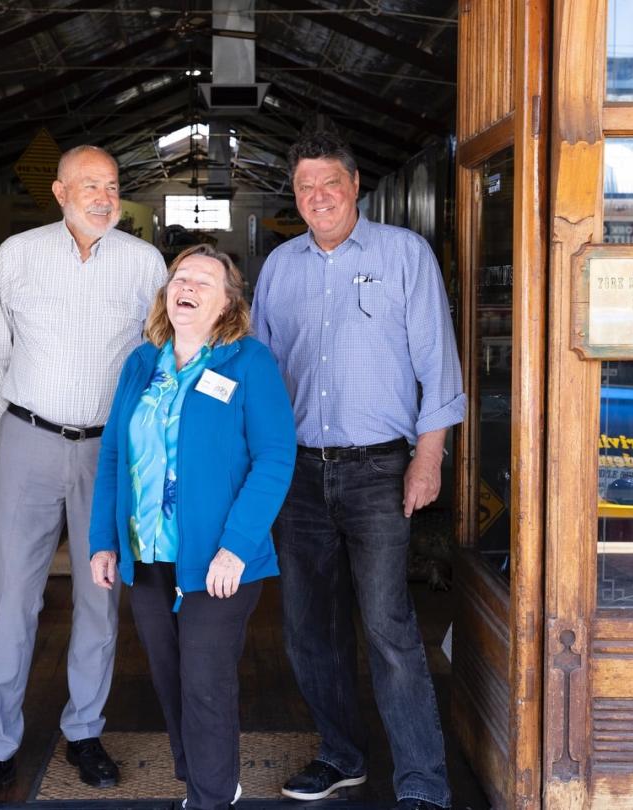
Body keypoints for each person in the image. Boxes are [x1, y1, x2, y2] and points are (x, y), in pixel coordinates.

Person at [252, 131, 465, 810]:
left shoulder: (405, 255)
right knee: (309, 629)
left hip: (379, 470)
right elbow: (257, 376)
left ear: (355, 185)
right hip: (298, 476)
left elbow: (439, 368)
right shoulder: (279, 268)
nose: (318, 198)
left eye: (329, 185)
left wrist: (427, 458)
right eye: (305, 188)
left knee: (389, 628)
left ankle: (423, 783)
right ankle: (341, 755)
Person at [0, 145, 166, 807]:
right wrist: (30, 423)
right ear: (60, 191)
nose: (103, 197)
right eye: (89, 185)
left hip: (110, 453)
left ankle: (85, 731)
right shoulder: (18, 252)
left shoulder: (143, 263)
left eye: (112, 186)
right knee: (14, 595)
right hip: (30, 441)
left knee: (100, 594)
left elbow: (161, 360)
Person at [88, 244, 296, 810]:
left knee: (205, 679)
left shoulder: (248, 362)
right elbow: (112, 456)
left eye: (205, 281)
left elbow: (275, 459)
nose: (188, 287)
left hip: (218, 558)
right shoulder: (141, 362)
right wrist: (103, 541)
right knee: (169, 675)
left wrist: (235, 548)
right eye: (181, 277)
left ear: (228, 303)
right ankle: (203, 776)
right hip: (148, 551)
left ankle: (209, 796)